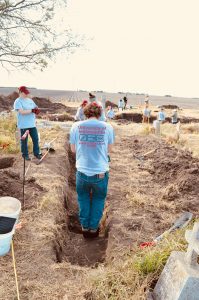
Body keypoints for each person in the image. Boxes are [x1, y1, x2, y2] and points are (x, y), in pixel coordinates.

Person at [70, 102, 115, 238]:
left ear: (85, 113)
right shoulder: (108, 127)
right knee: (98, 199)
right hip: (100, 173)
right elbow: (109, 150)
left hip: (82, 173)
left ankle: (85, 227)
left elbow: (72, 149)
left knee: (83, 198)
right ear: (100, 113)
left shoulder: (75, 126)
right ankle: (93, 229)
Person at [14, 86, 42, 161]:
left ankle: (36, 153)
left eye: (27, 93)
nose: (26, 94)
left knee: (35, 139)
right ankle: (25, 155)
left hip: (32, 124)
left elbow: (35, 107)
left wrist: (36, 110)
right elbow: (22, 112)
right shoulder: (18, 101)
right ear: (20, 92)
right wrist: (31, 111)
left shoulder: (30, 100)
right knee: (24, 141)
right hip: (23, 125)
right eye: (25, 93)